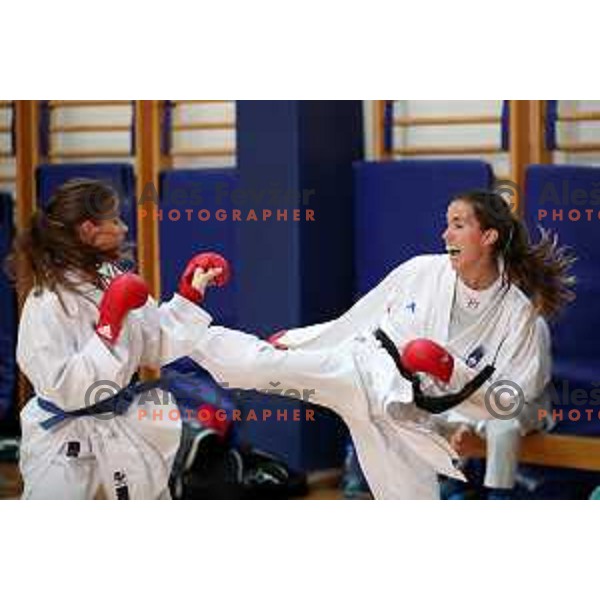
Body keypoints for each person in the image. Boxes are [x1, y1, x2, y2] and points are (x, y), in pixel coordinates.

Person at [185, 189, 574, 499]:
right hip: (361, 368)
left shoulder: (516, 314)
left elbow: (511, 400)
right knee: (261, 366)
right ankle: (184, 325)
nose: (445, 234)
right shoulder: (422, 270)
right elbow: (361, 316)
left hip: (407, 413)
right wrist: (302, 341)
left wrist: (451, 369)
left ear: (488, 236)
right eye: (446, 224)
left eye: (458, 225)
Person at [7, 179, 224, 500]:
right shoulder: (48, 301)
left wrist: (190, 296)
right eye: (115, 220)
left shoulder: (111, 278)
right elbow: (64, 390)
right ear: (88, 231)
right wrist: (107, 329)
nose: (123, 229)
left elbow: (153, 345)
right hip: (64, 443)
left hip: (119, 425)